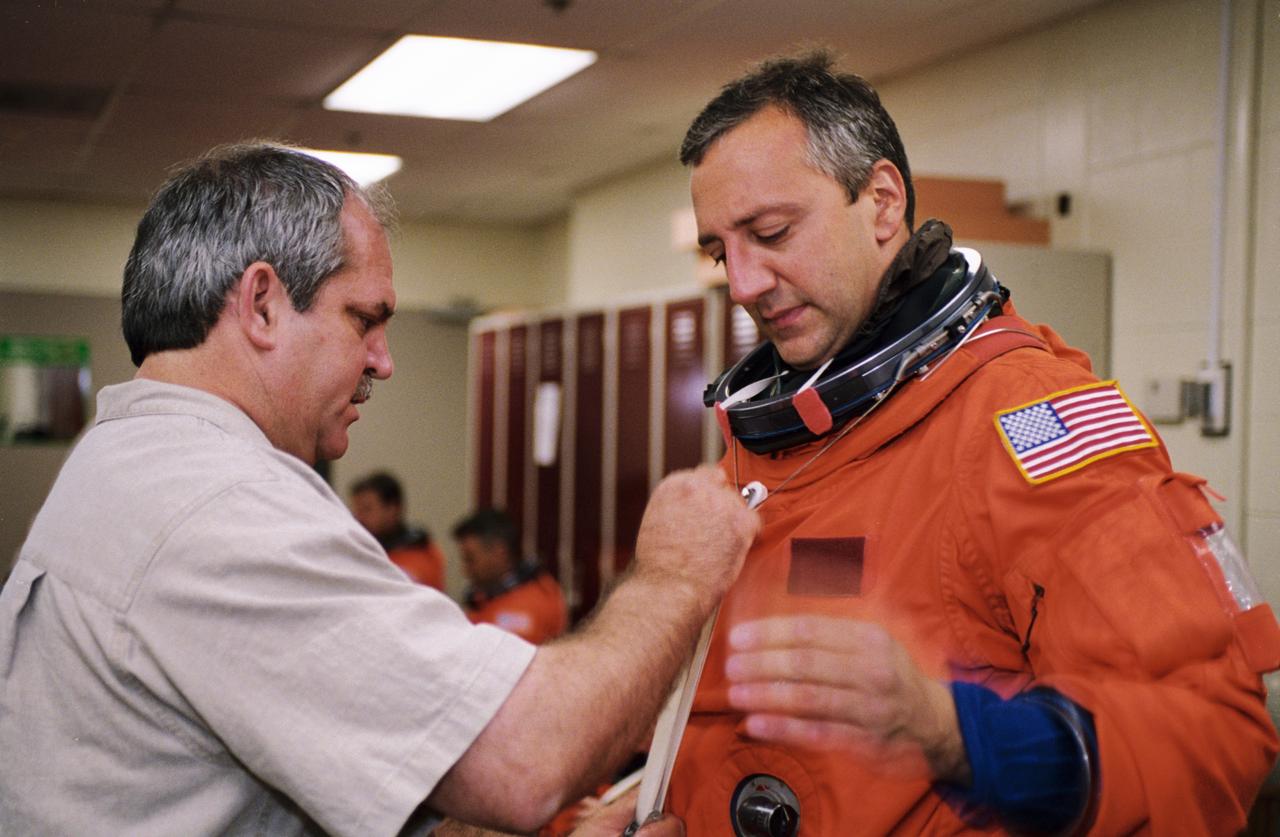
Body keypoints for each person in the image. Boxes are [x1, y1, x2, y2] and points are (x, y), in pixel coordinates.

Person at [0, 142, 759, 836]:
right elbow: (524, 761)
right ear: (262, 304)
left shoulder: (132, 463)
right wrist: (675, 572)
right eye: (364, 318)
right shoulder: (217, 506)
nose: (383, 361)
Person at [665, 52, 1280, 835]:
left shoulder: (1028, 421)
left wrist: (956, 731)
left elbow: (1213, 737)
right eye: (722, 252)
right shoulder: (770, 447)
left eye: (772, 232)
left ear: (883, 203)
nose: (743, 284)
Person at [453, 507, 568, 645]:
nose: (465, 570)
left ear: (499, 553)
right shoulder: (486, 596)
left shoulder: (530, 606)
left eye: (470, 559)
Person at [351, 470, 447, 590]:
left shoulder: (422, 553)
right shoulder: (355, 549)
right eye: (357, 510)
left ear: (392, 509)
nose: (358, 517)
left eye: (367, 509)